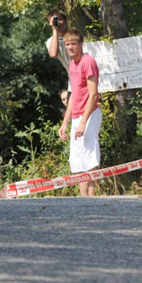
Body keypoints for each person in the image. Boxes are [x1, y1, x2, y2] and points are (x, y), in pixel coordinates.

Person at [58, 28, 101, 196]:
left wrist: (84, 121)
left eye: (73, 44)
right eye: (67, 44)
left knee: (89, 155)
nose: (70, 47)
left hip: (89, 114)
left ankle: (91, 196)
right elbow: (74, 95)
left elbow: (93, 94)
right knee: (77, 159)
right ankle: (83, 198)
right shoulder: (71, 64)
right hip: (76, 115)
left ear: (80, 44)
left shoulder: (87, 61)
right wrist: (65, 123)